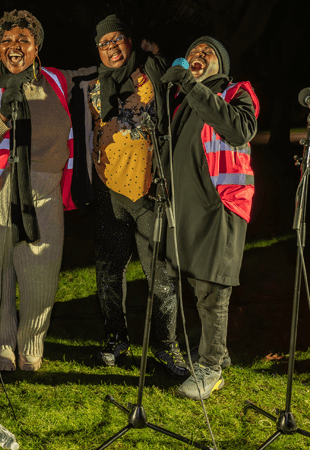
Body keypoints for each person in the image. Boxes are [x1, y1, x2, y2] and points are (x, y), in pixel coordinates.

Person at [0, 10, 94, 372]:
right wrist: (1, 117)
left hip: (42, 191)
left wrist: (136, 59)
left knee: (41, 271)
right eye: (7, 40)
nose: (14, 46)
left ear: (36, 47)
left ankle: (31, 344)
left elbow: (99, 73)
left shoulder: (56, 82)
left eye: (22, 40)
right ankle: (1, 344)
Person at [76, 15, 187, 376]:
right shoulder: (90, 86)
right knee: (109, 273)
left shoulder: (151, 73)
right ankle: (116, 340)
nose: (111, 47)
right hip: (109, 192)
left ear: (130, 41)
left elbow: (182, 71)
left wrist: (161, 53)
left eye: (117, 39)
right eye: (103, 42)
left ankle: (166, 348)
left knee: (161, 276)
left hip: (148, 192)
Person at [160, 36, 259, 400]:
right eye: (192, 52)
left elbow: (239, 130)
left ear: (223, 66)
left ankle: (211, 368)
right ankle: (219, 352)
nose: (197, 56)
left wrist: (187, 82)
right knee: (197, 283)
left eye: (208, 53)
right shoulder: (183, 98)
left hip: (222, 202)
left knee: (213, 287)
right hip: (188, 206)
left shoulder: (235, 92)